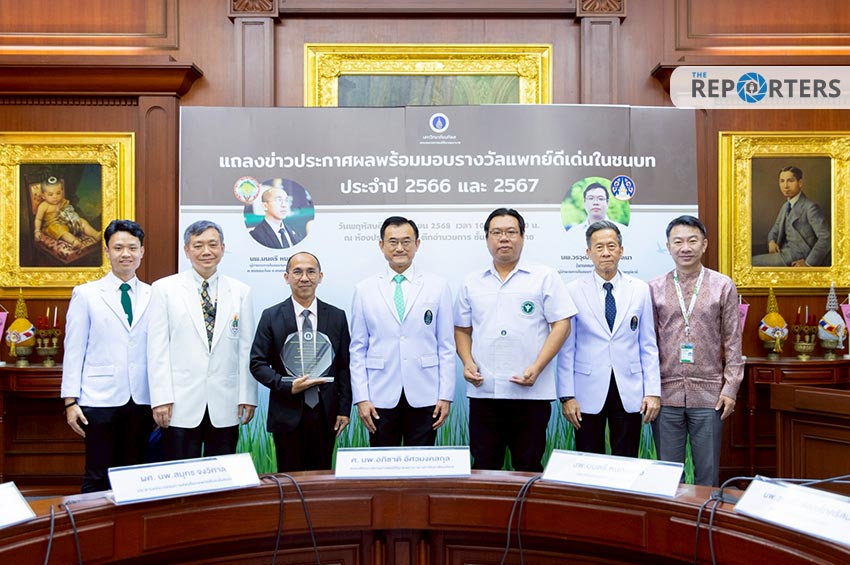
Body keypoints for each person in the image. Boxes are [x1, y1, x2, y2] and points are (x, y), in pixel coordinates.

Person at [455, 208, 575, 471]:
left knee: (528, 464)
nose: (504, 238)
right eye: (496, 232)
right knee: (484, 465)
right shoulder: (471, 282)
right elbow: (462, 329)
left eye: (511, 232)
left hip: (530, 393)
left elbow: (562, 325)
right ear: (487, 238)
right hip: (484, 392)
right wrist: (467, 362)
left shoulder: (545, 276)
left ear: (522, 236)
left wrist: (537, 367)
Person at [147, 220, 256, 461]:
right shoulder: (164, 289)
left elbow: (245, 348)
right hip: (179, 404)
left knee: (223, 471)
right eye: (198, 245)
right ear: (187, 250)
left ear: (222, 248)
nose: (206, 251)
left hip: (225, 402)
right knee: (181, 472)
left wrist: (247, 396)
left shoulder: (241, 291)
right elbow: (157, 350)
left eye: (212, 245)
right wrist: (161, 399)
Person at [649, 215, 743, 487]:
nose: (685, 248)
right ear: (668, 246)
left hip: (710, 395)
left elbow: (733, 340)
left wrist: (730, 388)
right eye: (678, 241)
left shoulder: (722, 285)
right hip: (666, 394)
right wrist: (650, 389)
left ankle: (705, 516)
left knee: (707, 475)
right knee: (667, 477)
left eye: (692, 241)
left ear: (704, 245)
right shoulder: (654, 288)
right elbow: (647, 344)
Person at [61, 219, 152, 492]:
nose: (126, 254)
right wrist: (70, 401)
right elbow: (74, 350)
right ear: (107, 251)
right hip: (99, 399)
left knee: (134, 476)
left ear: (142, 251)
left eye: (132, 248)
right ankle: (91, 521)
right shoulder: (86, 294)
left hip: (142, 398)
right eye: (118, 247)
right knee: (98, 475)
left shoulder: (154, 294)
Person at [557, 220, 660, 457]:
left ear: (621, 250)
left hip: (629, 388)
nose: (606, 252)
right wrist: (567, 396)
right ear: (588, 252)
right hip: (586, 390)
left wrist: (653, 391)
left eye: (611, 246)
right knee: (588, 458)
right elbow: (567, 349)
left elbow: (648, 344)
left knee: (627, 458)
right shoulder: (573, 290)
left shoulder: (640, 289)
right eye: (599, 247)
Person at [350, 217, 455, 447]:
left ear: (417, 244)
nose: (400, 248)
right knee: (382, 463)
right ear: (381, 245)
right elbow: (358, 349)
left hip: (426, 393)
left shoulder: (438, 286)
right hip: (379, 395)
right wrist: (361, 398)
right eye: (393, 242)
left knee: (422, 463)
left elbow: (446, 346)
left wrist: (445, 395)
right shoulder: (364, 289)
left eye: (406, 241)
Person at [250, 251, 351, 471]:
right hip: (286, 413)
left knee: (321, 478)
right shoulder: (271, 316)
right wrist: (286, 385)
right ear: (286, 277)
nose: (304, 278)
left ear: (320, 276)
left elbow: (344, 366)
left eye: (311, 272)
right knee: (289, 480)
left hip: (326, 414)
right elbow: (257, 363)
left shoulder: (337, 316)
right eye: (297, 272)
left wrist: (344, 409)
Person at [751, 166, 830, 267]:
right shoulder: (786, 206)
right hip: (783, 252)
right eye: (782, 181)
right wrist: (771, 241)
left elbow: (825, 238)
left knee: (751, 263)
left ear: (800, 183)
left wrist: (808, 263)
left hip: (798, 256)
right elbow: (775, 228)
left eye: (790, 181)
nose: (785, 186)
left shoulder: (810, 207)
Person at [34, 176, 101, 249]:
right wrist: (37, 230)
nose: (55, 196)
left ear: (62, 192)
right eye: (51, 194)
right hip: (51, 226)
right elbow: (38, 219)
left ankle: (95, 234)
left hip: (65, 222)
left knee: (81, 221)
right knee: (60, 230)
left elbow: (69, 211)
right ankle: (74, 241)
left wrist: (73, 218)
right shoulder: (44, 206)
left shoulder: (62, 201)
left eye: (58, 193)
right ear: (43, 196)